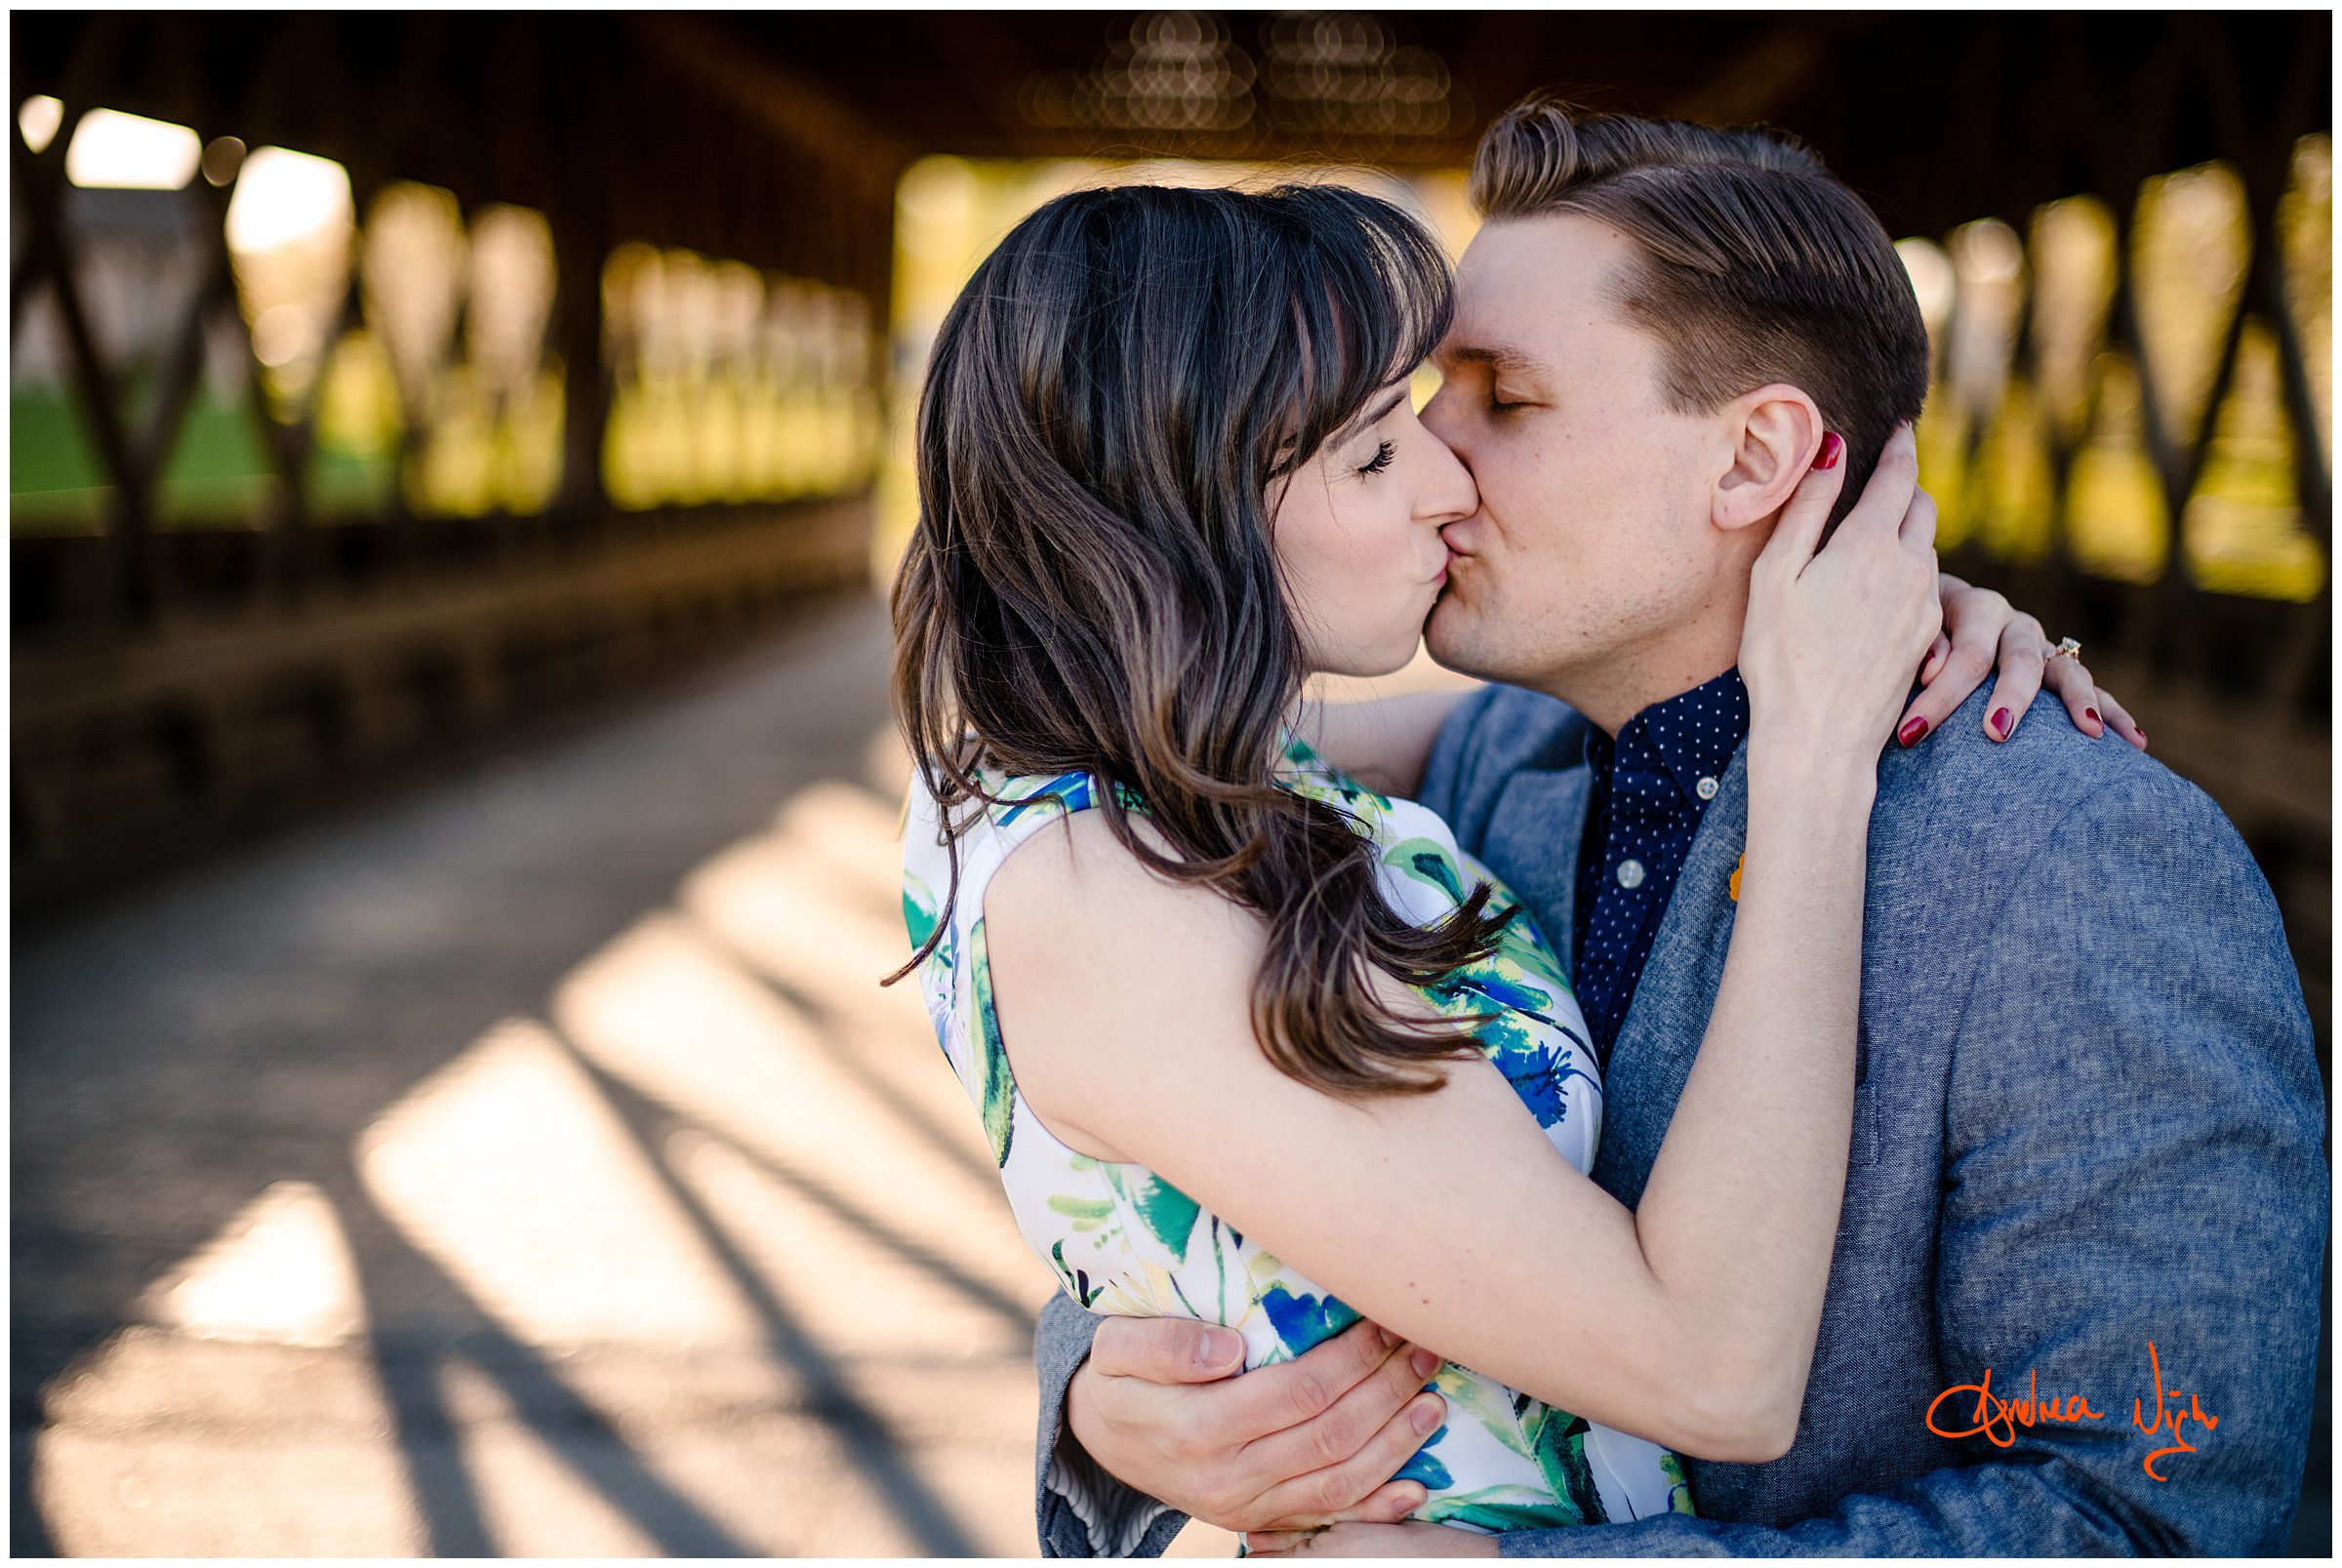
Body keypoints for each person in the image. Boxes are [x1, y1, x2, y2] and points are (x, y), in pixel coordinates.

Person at [1031, 101, 2326, 1558]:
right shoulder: (1488, 767)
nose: (1435, 466)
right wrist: (1102, 1394)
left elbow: (2158, 1510)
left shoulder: (2081, 862)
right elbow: (1231, 1124)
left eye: (1500, 400)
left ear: (1756, 459)